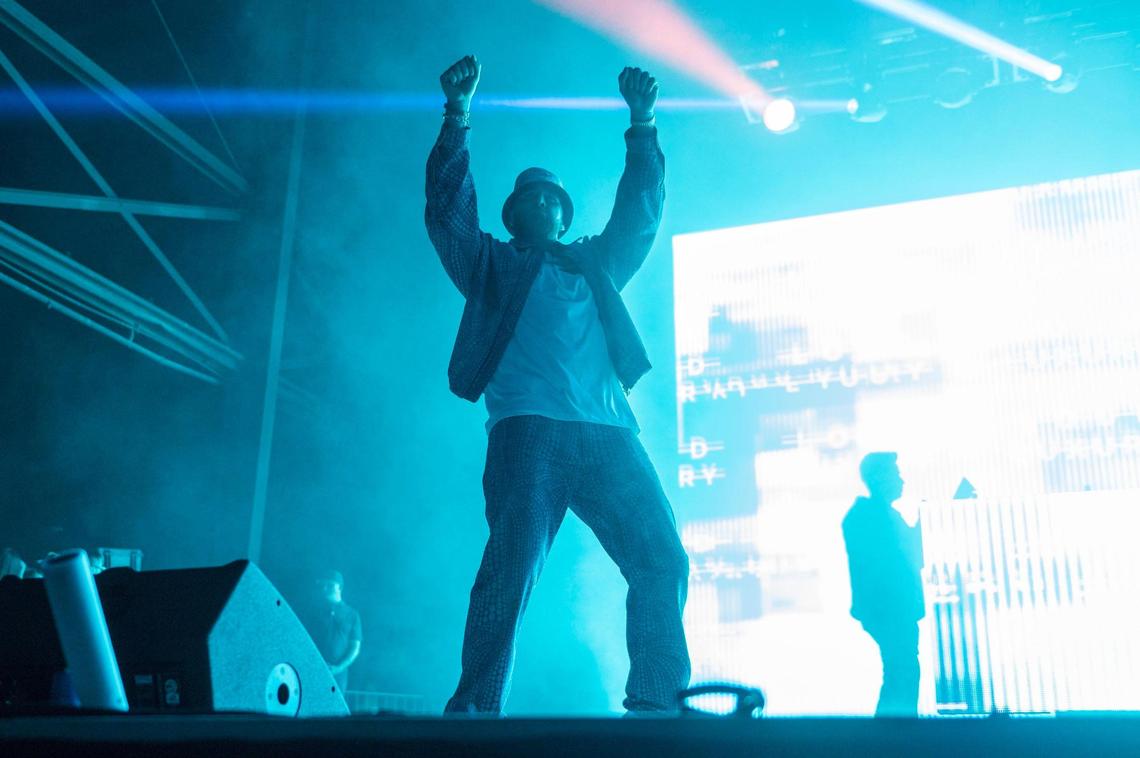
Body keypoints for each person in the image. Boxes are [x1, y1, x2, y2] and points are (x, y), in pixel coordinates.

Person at [425, 54, 690, 716]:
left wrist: (643, 121)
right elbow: (449, 214)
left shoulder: (595, 264)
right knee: (508, 575)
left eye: (554, 198)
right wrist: (457, 117)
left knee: (662, 559)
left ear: (565, 216)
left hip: (609, 434)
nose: (543, 202)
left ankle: (657, 704)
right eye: (531, 198)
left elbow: (640, 214)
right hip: (529, 432)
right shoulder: (491, 263)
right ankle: (475, 714)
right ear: (514, 216)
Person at [841, 452, 925, 716]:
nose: (901, 480)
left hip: (891, 610)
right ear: (879, 479)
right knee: (902, 673)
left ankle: (893, 737)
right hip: (890, 610)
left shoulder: (876, 515)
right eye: (895, 473)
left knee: (902, 672)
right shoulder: (869, 517)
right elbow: (905, 555)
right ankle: (894, 739)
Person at [305, 569, 362, 692]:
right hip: (314, 670)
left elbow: (355, 648)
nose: (325, 588)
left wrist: (338, 668)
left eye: (330, 585)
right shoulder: (315, 611)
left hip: (338, 675)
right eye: (323, 585)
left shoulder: (352, 614)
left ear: (340, 588)